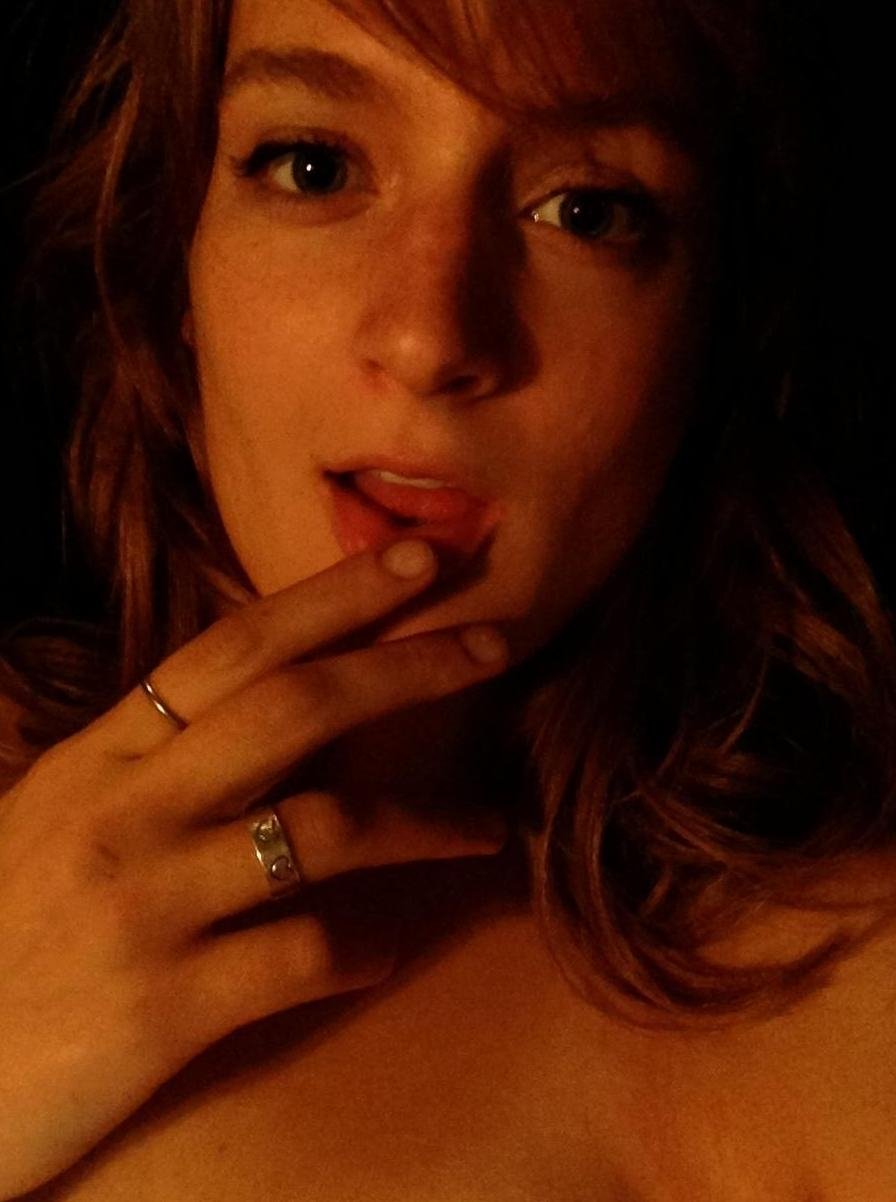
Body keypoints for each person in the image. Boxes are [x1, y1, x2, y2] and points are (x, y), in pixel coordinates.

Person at [2, 0, 896, 1197]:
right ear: (174, 259)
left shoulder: (849, 983)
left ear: (712, 319)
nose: (430, 335)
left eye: (585, 210)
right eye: (313, 167)